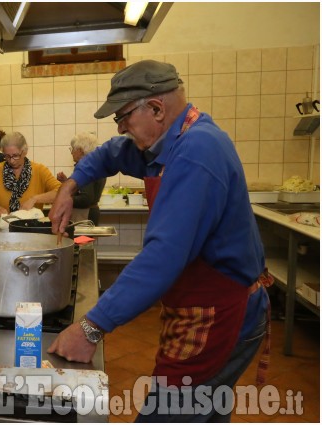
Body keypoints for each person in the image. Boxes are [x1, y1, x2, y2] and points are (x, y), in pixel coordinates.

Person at [48, 60, 271, 422]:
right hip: (200, 304)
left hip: (222, 314)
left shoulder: (197, 151)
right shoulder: (169, 139)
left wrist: (90, 327)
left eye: (123, 116)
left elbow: (163, 257)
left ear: (155, 108)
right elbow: (111, 152)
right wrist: (70, 186)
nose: (120, 126)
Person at [0, 131, 61, 219]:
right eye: (7, 156)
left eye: (15, 155)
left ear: (24, 151)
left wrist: (35, 199)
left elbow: (61, 192)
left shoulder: (39, 170)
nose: (11, 161)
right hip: (4, 229)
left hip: (31, 229)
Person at [56, 132, 107, 225]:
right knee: (87, 240)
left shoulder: (86, 167)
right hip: (91, 212)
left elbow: (86, 198)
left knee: (80, 239)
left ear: (80, 150)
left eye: (72, 149)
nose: (71, 152)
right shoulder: (96, 164)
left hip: (84, 215)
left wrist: (64, 198)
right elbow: (86, 189)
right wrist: (67, 182)